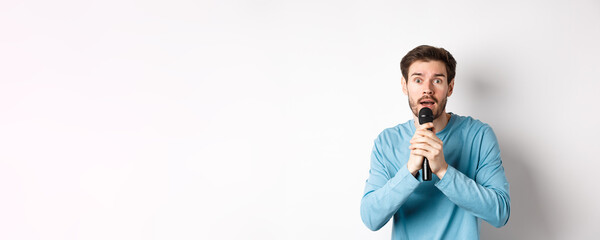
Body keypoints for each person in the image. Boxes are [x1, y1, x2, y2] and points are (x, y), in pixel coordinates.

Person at [360, 45, 510, 239]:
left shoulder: (479, 136)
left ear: (450, 87)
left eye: (437, 80)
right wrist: (409, 171)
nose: (427, 90)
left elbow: (500, 213)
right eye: (418, 80)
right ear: (405, 85)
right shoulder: (387, 142)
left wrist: (443, 170)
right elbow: (371, 218)